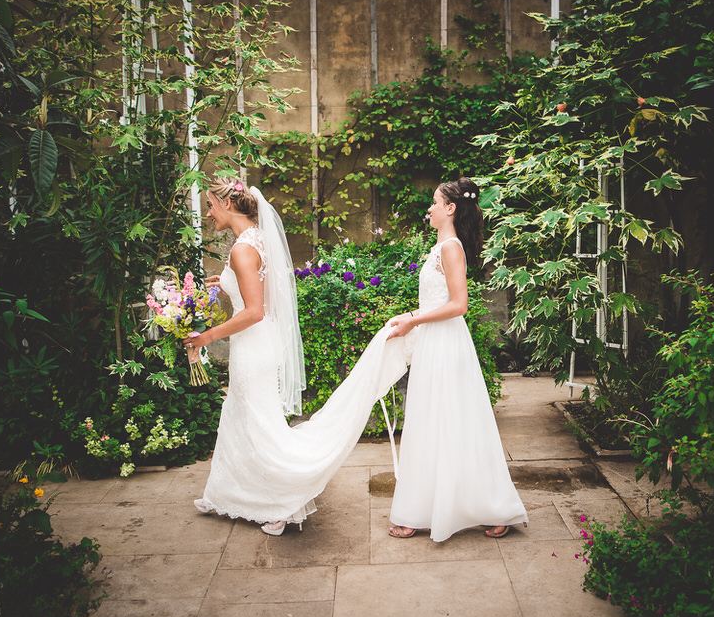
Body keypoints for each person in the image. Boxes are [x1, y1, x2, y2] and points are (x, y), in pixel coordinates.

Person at [185, 175, 411, 536]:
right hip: (261, 343)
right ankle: (226, 494)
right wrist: (226, 286)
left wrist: (206, 336)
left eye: (210, 205)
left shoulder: (241, 249)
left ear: (227, 204)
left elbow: (254, 310)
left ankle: (283, 503)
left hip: (253, 346)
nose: (208, 213)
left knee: (259, 422)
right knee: (244, 416)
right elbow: (261, 297)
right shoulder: (256, 239)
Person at [384, 178, 528, 541]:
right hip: (435, 341)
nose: (429, 209)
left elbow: (459, 305)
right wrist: (409, 317)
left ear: (450, 208)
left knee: (454, 421)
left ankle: (492, 507)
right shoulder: (440, 247)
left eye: (434, 202)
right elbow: (438, 302)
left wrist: (413, 320)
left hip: (447, 345)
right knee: (432, 422)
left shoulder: (451, 247)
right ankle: (423, 508)